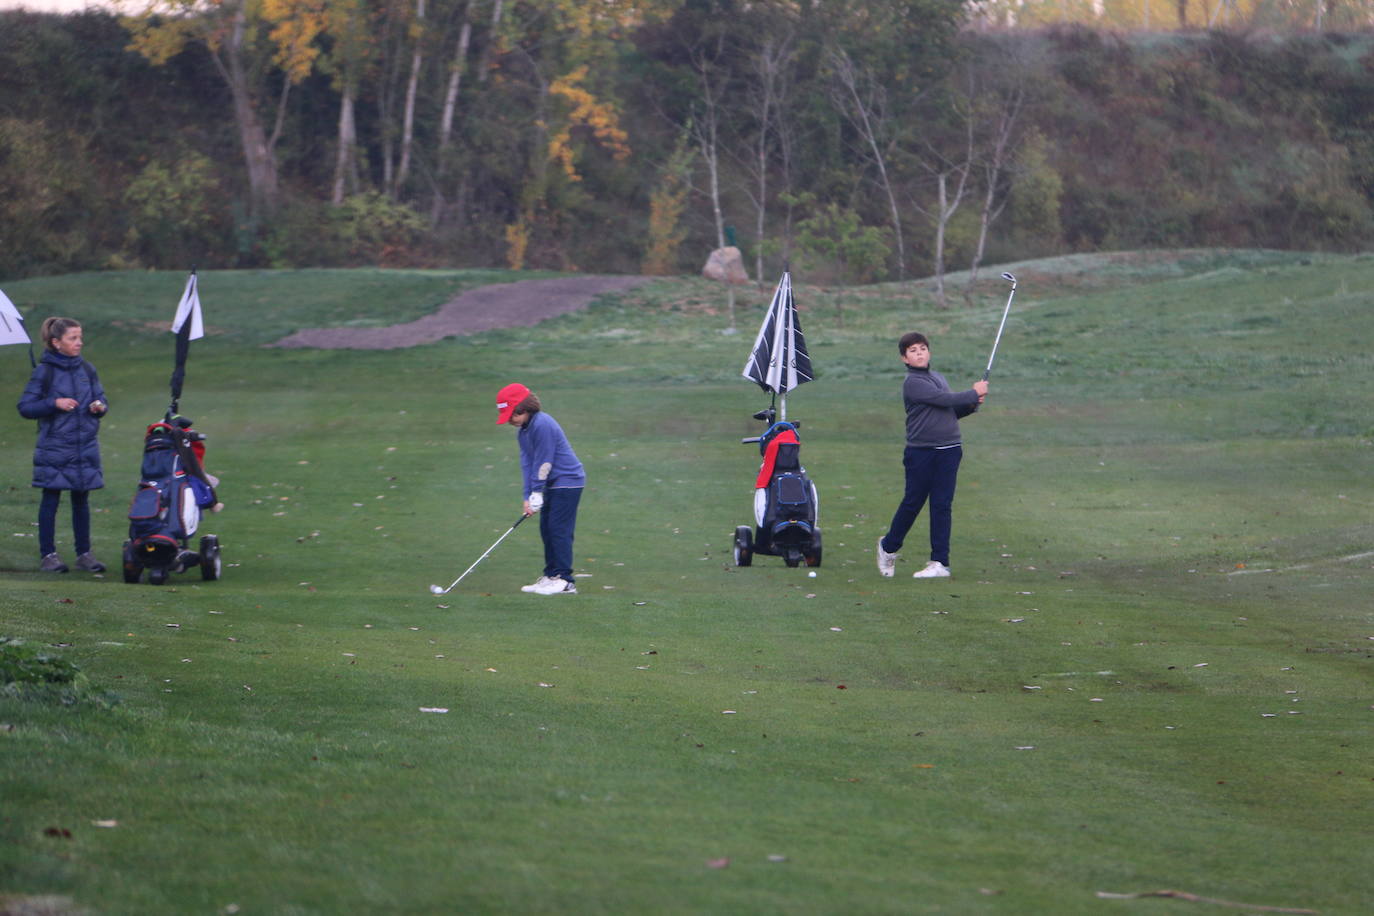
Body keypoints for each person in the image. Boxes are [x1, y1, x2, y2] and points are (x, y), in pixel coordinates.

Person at [876, 332, 987, 580]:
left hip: (949, 449)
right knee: (913, 502)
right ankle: (888, 546)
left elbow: (949, 411)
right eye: (913, 350)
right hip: (921, 451)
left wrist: (972, 404)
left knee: (941, 505)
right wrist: (972, 392)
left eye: (923, 348)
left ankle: (940, 562)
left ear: (929, 352)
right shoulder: (913, 383)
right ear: (904, 358)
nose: (919, 353)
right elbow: (942, 399)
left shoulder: (938, 377)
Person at [17, 317, 109, 573]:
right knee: (51, 500)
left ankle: (85, 554)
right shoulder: (44, 372)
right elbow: (25, 407)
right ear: (56, 342)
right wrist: (53, 403)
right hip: (55, 448)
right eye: (73, 338)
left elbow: (101, 398)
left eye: (80, 337)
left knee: (81, 501)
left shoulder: (88, 370)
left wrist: (99, 407)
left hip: (84, 447)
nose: (79, 343)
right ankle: (48, 555)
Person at [496, 383, 585, 595]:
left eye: (511, 415)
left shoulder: (542, 424)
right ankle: (551, 575)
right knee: (546, 529)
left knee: (558, 529)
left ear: (524, 409)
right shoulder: (524, 432)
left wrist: (537, 491)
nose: (510, 420)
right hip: (551, 483)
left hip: (568, 481)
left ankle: (564, 580)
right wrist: (528, 495)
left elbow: (544, 461)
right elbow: (528, 464)